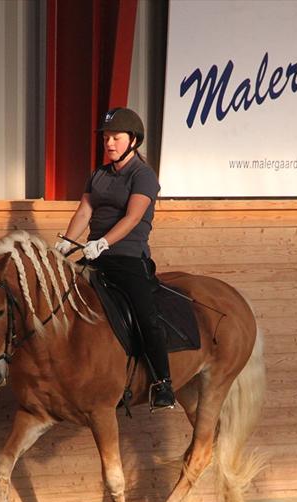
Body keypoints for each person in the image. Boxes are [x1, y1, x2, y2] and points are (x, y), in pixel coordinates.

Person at [54, 107, 176, 410]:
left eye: (115, 138)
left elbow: (134, 217)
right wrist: (67, 243)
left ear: (133, 140)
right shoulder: (98, 175)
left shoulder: (143, 176)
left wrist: (103, 242)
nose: (109, 143)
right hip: (95, 257)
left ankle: (163, 382)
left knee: (146, 317)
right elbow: (85, 211)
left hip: (128, 257)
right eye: (106, 138)